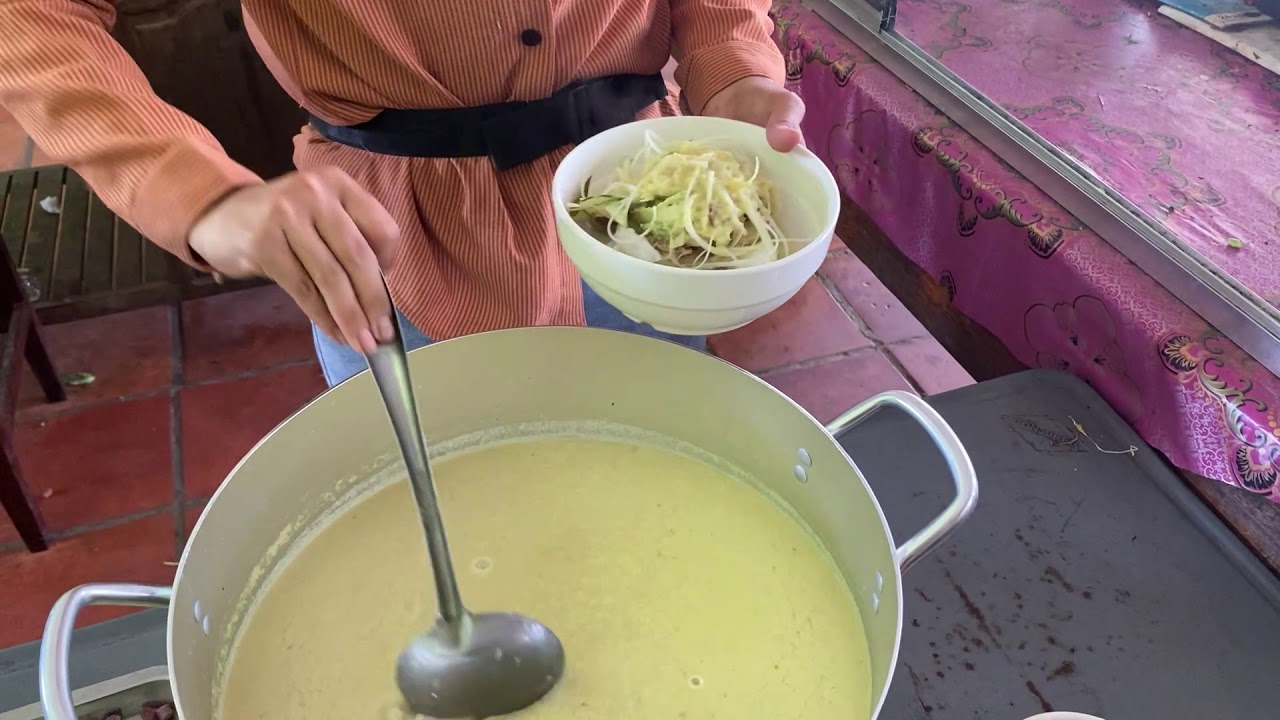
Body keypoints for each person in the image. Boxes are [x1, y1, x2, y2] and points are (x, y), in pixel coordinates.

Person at [0, 1, 804, 386]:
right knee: (445, 520)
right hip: (397, 243)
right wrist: (198, 193)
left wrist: (732, 66)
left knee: (655, 468)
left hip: (647, 216)